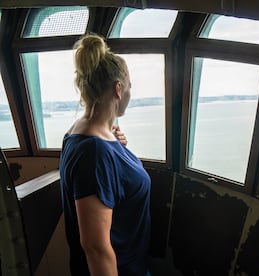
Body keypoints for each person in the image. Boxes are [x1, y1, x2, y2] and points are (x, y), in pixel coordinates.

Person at [59, 34, 151, 276]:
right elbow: (95, 248)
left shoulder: (82, 132)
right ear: (118, 89)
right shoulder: (94, 152)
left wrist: (119, 147)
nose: (131, 93)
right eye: (130, 86)